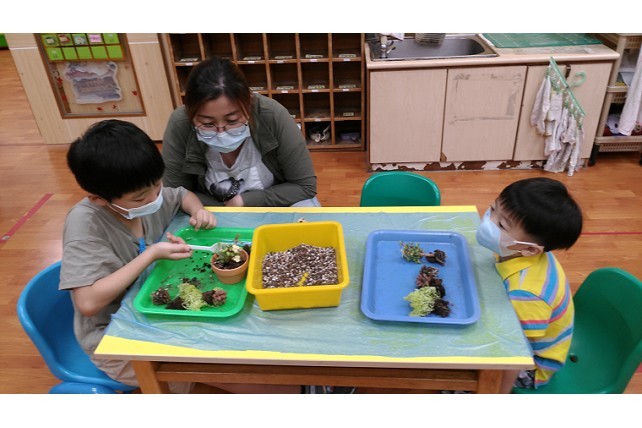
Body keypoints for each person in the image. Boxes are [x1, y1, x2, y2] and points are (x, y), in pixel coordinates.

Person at [61, 119, 217, 393]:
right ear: (99, 198)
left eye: (158, 185)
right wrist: (152, 254)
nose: (155, 198)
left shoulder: (146, 195)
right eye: (140, 198)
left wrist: (198, 210)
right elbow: (87, 302)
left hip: (152, 310)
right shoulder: (85, 224)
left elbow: (182, 195)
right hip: (113, 337)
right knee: (204, 371)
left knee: (218, 345)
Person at [162, 56, 319, 207]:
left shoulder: (272, 115)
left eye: (232, 121)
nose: (221, 133)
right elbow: (174, 193)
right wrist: (220, 210)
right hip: (207, 210)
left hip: (275, 203)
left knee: (307, 210)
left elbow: (304, 186)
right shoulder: (181, 123)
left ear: (248, 104)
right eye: (207, 124)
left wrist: (244, 202)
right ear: (190, 114)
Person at [475, 177, 582, 391]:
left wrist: (497, 393)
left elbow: (514, 354)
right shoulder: (517, 252)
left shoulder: (527, 294)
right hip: (519, 329)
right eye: (492, 209)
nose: (489, 222)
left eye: (501, 225)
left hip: (532, 366)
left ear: (531, 249)